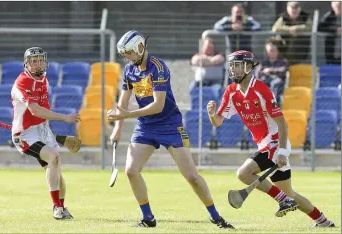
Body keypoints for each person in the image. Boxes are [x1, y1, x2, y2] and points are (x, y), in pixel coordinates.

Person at [107, 30, 234, 229]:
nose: (126, 58)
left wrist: (125, 115)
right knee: (131, 171)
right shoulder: (129, 70)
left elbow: (158, 105)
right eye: (123, 54)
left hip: (170, 125)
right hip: (145, 126)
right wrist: (117, 128)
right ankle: (148, 218)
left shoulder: (158, 67)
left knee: (191, 176)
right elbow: (121, 104)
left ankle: (216, 217)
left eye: (128, 53)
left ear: (140, 48)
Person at [206, 50, 335, 228]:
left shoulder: (261, 90)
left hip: (275, 142)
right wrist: (212, 115)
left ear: (248, 67)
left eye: (237, 65)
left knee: (243, 173)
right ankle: (323, 221)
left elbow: (282, 123)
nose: (233, 70)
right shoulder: (231, 92)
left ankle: (282, 200)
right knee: (291, 194)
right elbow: (218, 121)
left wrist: (282, 151)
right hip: (265, 145)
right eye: (231, 66)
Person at [11, 47, 81, 220]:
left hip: (42, 131)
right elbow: (35, 110)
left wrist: (47, 132)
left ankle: (62, 208)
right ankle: (56, 207)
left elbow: (44, 108)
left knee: (58, 174)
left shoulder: (44, 79)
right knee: (54, 156)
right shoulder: (23, 81)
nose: (37, 64)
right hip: (24, 134)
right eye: (33, 61)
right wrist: (65, 118)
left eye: (40, 60)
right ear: (26, 64)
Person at [255, 40, 288, 105]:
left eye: (273, 50)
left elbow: (282, 71)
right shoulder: (263, 62)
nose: (272, 52)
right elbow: (258, 73)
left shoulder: (282, 61)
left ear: (277, 51)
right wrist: (265, 73)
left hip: (278, 81)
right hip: (266, 80)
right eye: (270, 50)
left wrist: (270, 70)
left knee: (274, 83)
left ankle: (272, 104)